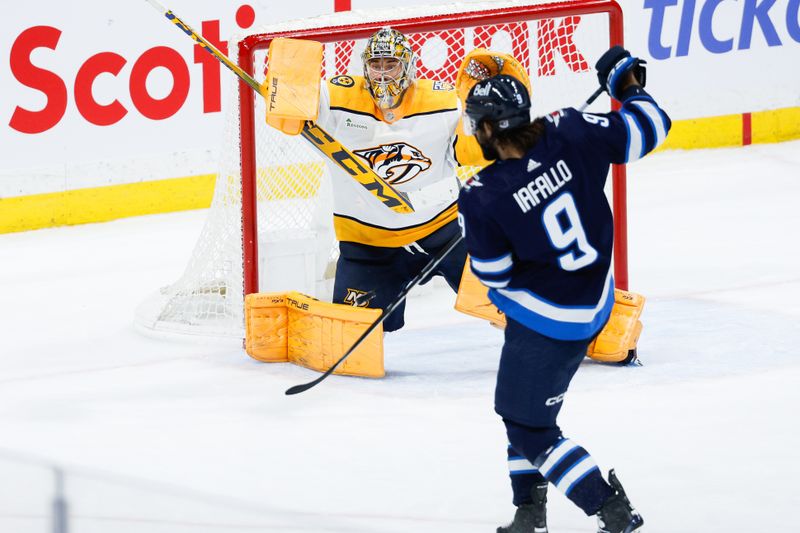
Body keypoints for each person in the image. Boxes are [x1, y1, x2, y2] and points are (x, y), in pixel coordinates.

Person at [457, 47, 671, 533]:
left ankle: (610, 509)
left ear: (488, 128)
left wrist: (482, 219)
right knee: (523, 409)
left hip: (548, 325)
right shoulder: (571, 128)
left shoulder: (481, 195)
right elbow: (649, 128)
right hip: (596, 300)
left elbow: (493, 276)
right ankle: (528, 514)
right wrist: (627, 87)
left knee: (529, 427)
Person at [315, 28, 485, 331]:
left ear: (407, 66)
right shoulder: (337, 97)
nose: (382, 74)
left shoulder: (443, 101)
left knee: (505, 304)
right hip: (368, 246)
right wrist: (287, 90)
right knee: (358, 338)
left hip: (446, 234)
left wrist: (483, 108)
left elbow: (473, 152)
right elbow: (296, 100)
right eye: (375, 65)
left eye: (390, 64)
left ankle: (569, 325)